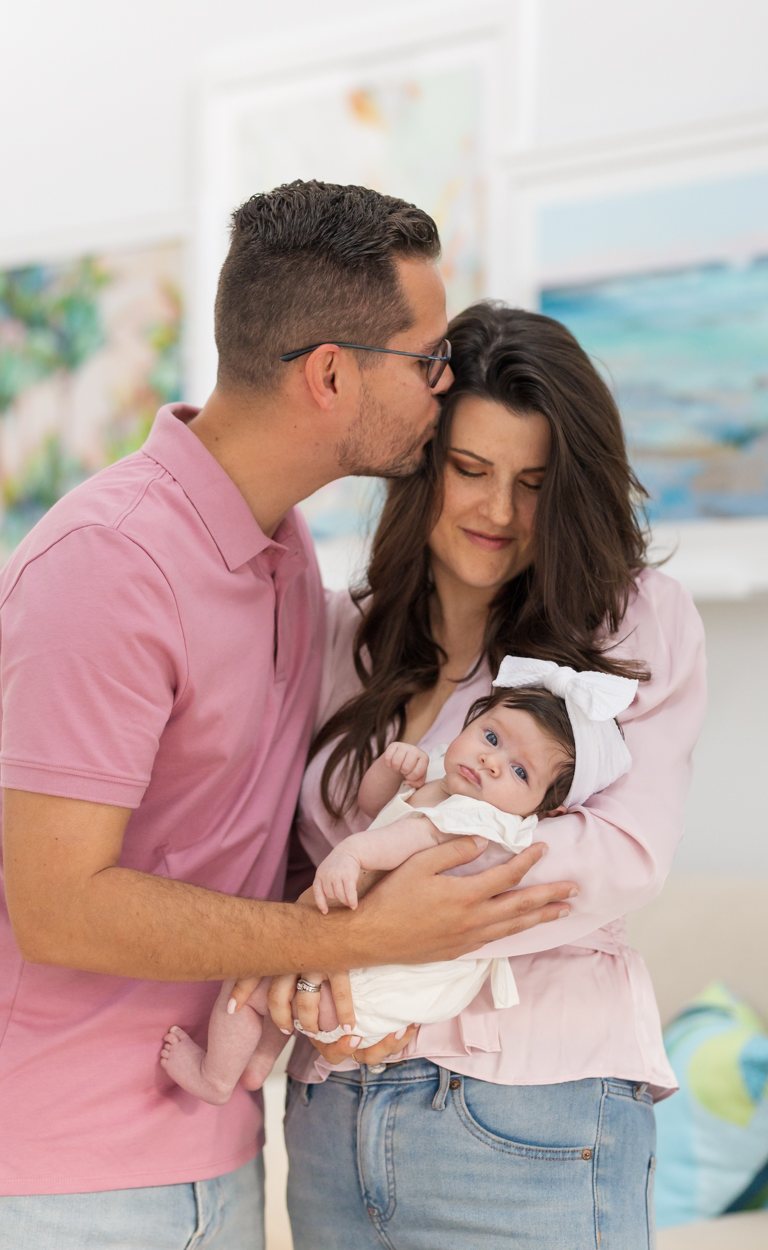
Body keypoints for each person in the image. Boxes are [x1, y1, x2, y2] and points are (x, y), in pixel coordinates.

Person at [0, 185, 576, 1250]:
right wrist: (360, 934)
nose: (444, 383)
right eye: (426, 359)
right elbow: (59, 906)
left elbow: (239, 838)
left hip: (216, 1148)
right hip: (50, 1173)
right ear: (330, 374)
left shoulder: (284, 555)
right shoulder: (107, 566)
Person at [282, 302, 707, 1250]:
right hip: (330, 1107)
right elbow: (294, 863)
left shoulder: (633, 621)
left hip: (527, 1112)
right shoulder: (340, 631)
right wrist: (290, 958)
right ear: (421, 460)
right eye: (470, 470)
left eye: (533, 484)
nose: (498, 512)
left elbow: (620, 852)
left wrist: (383, 920)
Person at [159, 668, 606, 1104]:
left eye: (520, 772)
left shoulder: (479, 819)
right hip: (371, 976)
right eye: (491, 737)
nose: (491, 762)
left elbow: (401, 837)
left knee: (249, 976)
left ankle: (214, 1078)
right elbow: (374, 807)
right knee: (282, 984)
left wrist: (351, 855)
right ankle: (257, 1063)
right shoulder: (447, 779)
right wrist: (392, 770)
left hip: (370, 985)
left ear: (544, 810)